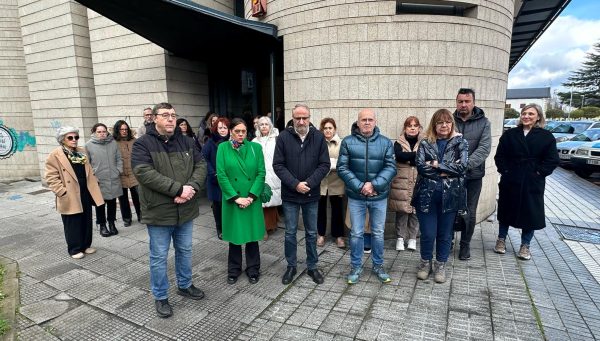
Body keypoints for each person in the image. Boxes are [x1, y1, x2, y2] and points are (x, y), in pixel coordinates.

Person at [132, 102, 207, 318]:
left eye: (173, 115)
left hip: (185, 210)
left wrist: (191, 188)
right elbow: (144, 172)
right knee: (159, 256)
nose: (171, 119)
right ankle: (161, 296)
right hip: (159, 211)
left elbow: (201, 165)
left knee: (185, 250)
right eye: (165, 115)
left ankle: (184, 285)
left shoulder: (187, 141)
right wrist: (177, 189)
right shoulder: (142, 144)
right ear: (154, 118)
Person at [337, 109, 397, 284]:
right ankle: (356, 266)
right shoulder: (348, 142)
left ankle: (378, 266)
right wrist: (361, 186)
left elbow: (391, 167)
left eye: (370, 119)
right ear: (358, 122)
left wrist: (374, 185)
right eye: (364, 120)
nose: (367, 122)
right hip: (356, 196)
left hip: (379, 196)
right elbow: (342, 168)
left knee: (378, 233)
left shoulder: (386, 143)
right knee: (356, 233)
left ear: (375, 122)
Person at [273, 104, 330, 285]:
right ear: (292, 118)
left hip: (311, 194)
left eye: (304, 117)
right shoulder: (283, 137)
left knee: (312, 233)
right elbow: (278, 165)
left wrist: (309, 183)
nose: (301, 121)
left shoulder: (319, 137)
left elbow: (324, 165)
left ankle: (312, 266)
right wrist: (295, 184)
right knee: (290, 232)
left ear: (310, 117)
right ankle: (291, 266)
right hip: (290, 194)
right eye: (298, 118)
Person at [494, 104, 559, 260]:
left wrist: (539, 172)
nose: (526, 116)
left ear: (538, 117)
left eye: (531, 114)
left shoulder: (546, 136)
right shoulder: (510, 135)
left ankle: (525, 245)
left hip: (532, 180)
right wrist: (506, 171)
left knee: (530, 212)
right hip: (512, 178)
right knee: (506, 209)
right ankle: (501, 239)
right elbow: (500, 156)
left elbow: (552, 159)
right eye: (524, 113)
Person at [412, 109, 468, 283]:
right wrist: (447, 170)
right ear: (434, 125)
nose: (444, 125)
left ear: (452, 123)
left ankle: (440, 265)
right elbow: (421, 166)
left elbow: (463, 166)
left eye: (447, 122)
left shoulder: (461, 142)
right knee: (428, 233)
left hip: (450, 196)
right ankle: (424, 263)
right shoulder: (425, 143)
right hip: (426, 195)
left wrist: (436, 164)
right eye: (440, 122)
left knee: (445, 234)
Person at [217, 118, 266, 284]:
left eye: (243, 131)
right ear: (231, 131)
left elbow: (261, 173)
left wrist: (251, 197)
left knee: (252, 237)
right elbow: (222, 175)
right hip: (233, 199)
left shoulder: (255, 148)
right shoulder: (222, 148)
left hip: (252, 199)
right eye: (237, 131)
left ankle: (253, 269)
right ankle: (234, 269)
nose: (240, 134)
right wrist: (237, 198)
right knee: (235, 237)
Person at [45, 126, 104, 259]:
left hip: (85, 190)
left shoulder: (81, 151)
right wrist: (62, 191)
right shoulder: (55, 154)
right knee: (73, 222)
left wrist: (94, 181)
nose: (74, 140)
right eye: (70, 137)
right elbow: (50, 176)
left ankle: (85, 245)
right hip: (70, 192)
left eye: (76, 137)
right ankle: (74, 249)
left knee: (86, 219)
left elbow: (89, 169)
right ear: (62, 140)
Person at [453, 88, 491, 260]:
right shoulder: (450, 120)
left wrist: (465, 165)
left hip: (473, 175)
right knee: (450, 208)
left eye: (467, 101)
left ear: (473, 102)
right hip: (451, 175)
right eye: (460, 101)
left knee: (470, 211)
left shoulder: (484, 123)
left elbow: (484, 148)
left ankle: (465, 245)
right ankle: (448, 240)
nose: (463, 105)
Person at [388, 116, 423, 251]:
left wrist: (408, 158)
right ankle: (400, 238)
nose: (413, 128)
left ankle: (413, 238)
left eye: (415, 125)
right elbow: (398, 155)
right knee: (401, 211)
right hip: (401, 183)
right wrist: (415, 156)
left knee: (415, 212)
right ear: (405, 128)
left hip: (418, 182)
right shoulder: (398, 142)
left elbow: (426, 157)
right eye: (410, 126)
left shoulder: (425, 142)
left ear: (419, 128)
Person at [86, 123, 123, 237]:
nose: (102, 134)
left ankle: (112, 223)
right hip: (99, 180)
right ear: (94, 132)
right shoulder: (88, 145)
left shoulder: (113, 143)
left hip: (113, 178)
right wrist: (93, 176)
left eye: (104, 131)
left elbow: (119, 158)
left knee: (112, 203)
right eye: (99, 132)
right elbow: (87, 164)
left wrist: (118, 170)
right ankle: (102, 225)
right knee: (100, 204)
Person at [317, 118, 345, 248]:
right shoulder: (318, 143)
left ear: (334, 129)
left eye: (330, 128)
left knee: (337, 210)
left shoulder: (341, 143)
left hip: (337, 181)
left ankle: (339, 236)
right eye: (325, 128)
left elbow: (342, 161)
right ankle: (321, 234)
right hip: (321, 182)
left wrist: (329, 164)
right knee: (320, 209)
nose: (327, 130)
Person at [253, 116, 282, 239]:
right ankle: (263, 228)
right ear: (258, 127)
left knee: (272, 201)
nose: (264, 126)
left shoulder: (277, 140)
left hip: (274, 174)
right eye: (261, 124)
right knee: (260, 203)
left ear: (270, 126)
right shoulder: (254, 141)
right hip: (259, 174)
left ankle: (272, 225)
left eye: (266, 124)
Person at [202, 117, 230, 239]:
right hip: (215, 179)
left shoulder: (232, 141)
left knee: (229, 203)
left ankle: (230, 226)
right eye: (220, 127)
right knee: (218, 205)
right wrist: (213, 173)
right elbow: (203, 159)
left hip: (230, 179)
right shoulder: (210, 142)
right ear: (215, 128)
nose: (223, 130)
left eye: (225, 127)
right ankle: (220, 228)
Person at [114, 120, 141, 225]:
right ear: (118, 130)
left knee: (138, 196)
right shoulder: (113, 142)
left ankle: (141, 216)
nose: (124, 131)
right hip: (120, 174)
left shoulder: (134, 141)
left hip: (134, 173)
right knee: (123, 198)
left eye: (126, 129)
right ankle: (127, 218)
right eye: (121, 129)